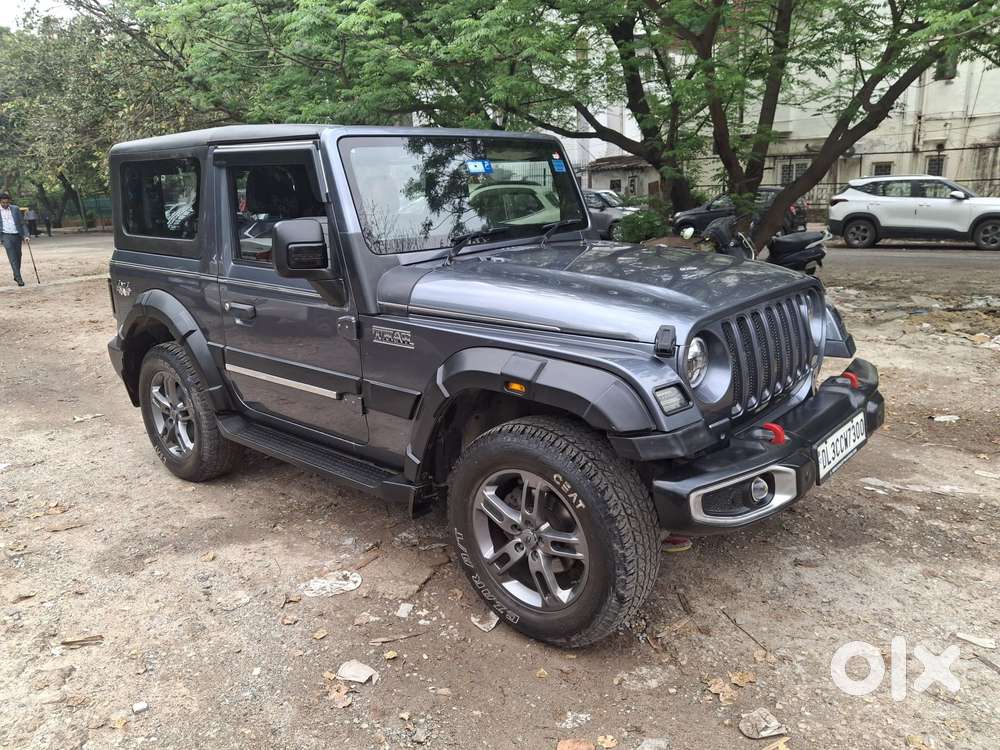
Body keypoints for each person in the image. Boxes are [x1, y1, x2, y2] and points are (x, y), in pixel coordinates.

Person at [1, 192, 29, 287]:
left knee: (18, 256)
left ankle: (16, 274)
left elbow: (22, 223)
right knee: (12, 257)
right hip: (5, 236)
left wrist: (26, 235)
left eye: (7, 202)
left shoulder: (15, 209)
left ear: (9, 201)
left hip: (17, 235)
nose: (5, 204)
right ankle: (19, 278)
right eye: (3, 202)